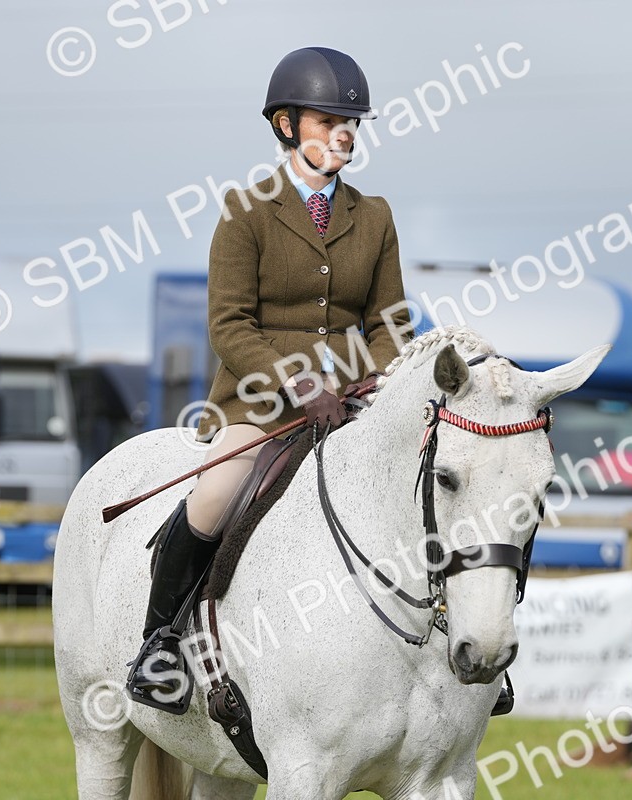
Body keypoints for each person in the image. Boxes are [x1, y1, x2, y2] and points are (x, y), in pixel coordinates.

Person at [129, 46, 412, 695]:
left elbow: (390, 327)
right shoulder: (245, 210)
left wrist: (360, 384)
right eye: (325, 122)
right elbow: (229, 326)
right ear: (286, 126)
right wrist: (299, 382)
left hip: (352, 408)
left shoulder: (375, 217)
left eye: (351, 124)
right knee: (212, 500)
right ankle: (161, 643)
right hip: (257, 406)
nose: (342, 135)